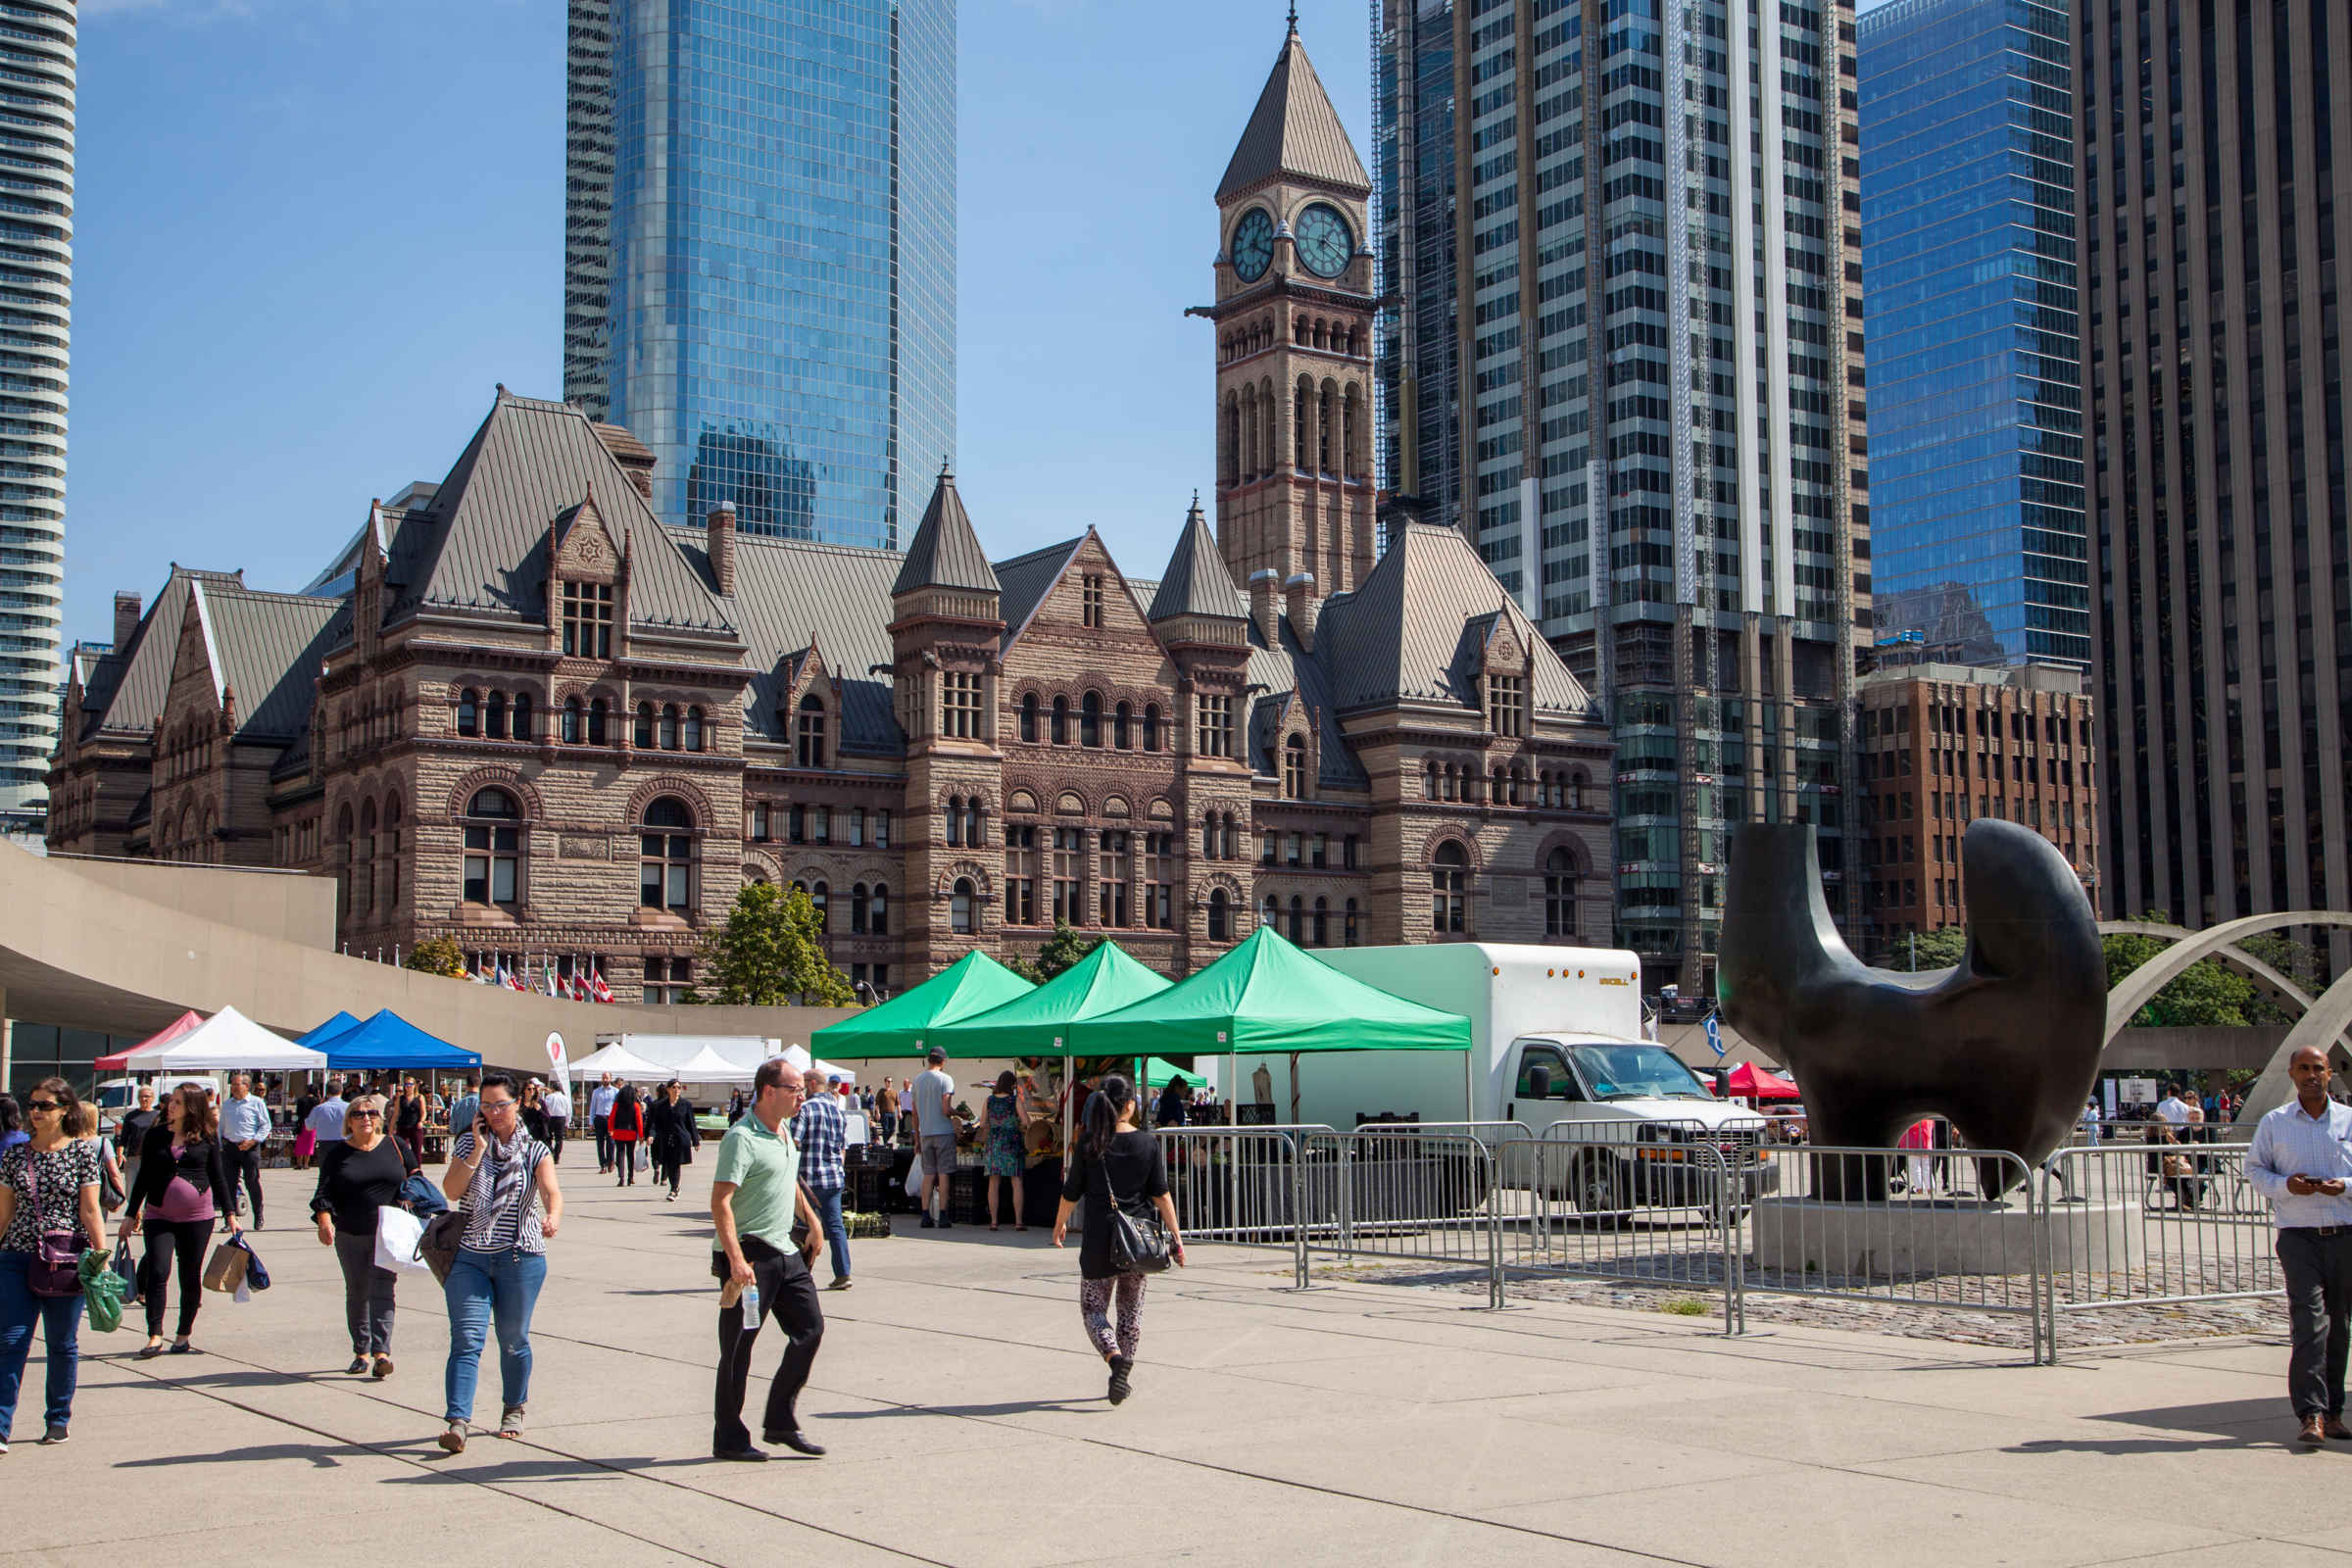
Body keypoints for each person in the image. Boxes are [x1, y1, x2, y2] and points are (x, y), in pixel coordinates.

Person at [436, 1072, 562, 1452]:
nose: (492, 1113)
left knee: (513, 1339)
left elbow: (551, 1191)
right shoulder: (466, 1144)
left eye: (500, 1105)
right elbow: (452, 1191)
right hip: (471, 1257)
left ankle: (513, 1407)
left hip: (519, 1258)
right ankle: (458, 1422)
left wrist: (553, 1216)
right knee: (467, 1339)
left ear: (517, 1104)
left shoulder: (535, 1151)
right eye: (485, 1106)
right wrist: (476, 1148)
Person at [710, 1057, 826, 1461]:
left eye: (803, 1088)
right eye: (795, 1089)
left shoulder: (785, 1131)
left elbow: (787, 1178)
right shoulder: (741, 1138)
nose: (802, 1096)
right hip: (750, 1256)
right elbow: (721, 1201)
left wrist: (812, 1221)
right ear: (768, 1091)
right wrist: (736, 1261)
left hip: (786, 1251)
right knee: (739, 1349)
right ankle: (728, 1438)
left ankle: (779, 1421)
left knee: (810, 1330)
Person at [1052, 1074, 1182, 1405]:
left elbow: (1071, 1191)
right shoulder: (1147, 1143)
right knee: (1131, 1311)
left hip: (1099, 1238)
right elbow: (1161, 1195)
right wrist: (1177, 1238)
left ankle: (1114, 1358)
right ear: (1128, 1105)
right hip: (1137, 1240)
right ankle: (1124, 1367)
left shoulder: (1090, 1143)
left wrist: (1059, 1225)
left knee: (1092, 1309)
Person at [2247, 1046, 2352, 1444]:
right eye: (2304, 1068)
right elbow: (2255, 1170)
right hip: (2298, 1235)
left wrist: (2343, 1185)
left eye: (2319, 1068)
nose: (2312, 1075)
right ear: (2291, 1074)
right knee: (2309, 1323)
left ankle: (2335, 1411)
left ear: (2330, 1074)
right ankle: (2310, 1414)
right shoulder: (2275, 1123)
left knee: (2339, 1326)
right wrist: (2284, 1186)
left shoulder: (2348, 1120)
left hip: (2344, 1232)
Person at [0, 1079, 104, 1450]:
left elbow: (90, 1209)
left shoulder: (81, 1153)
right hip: (16, 1256)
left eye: (44, 1105)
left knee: (61, 1344)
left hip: (65, 1260)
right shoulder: (14, 1155)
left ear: (65, 1110)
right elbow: (5, 1210)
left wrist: (100, 1258)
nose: (36, 1112)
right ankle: (0, 1426)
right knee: (10, 1342)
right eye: (32, 1105)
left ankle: (58, 1418)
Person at [122, 1082, 239, 1358]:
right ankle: (154, 1335)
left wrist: (231, 1214)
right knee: (158, 1271)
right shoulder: (155, 1136)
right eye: (171, 1101)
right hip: (158, 1214)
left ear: (192, 1107)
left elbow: (219, 1176)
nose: (170, 1105)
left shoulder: (207, 1137)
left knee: (189, 1275)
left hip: (197, 1218)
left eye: (177, 1102)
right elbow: (144, 1177)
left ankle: (183, 1334)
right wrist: (130, 1213)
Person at [311, 1091, 414, 1379]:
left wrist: (417, 1202)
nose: (366, 1118)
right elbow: (323, 1193)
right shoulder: (338, 1154)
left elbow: (416, 1178)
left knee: (383, 1289)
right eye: (358, 1114)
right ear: (349, 1122)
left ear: (379, 1119)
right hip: (350, 1232)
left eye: (371, 1113)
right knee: (357, 1291)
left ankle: (382, 1353)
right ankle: (361, 1351)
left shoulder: (396, 1145)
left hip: (388, 1233)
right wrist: (324, 1220)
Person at [789, 1069, 852, 1291]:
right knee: (835, 1226)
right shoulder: (838, 1111)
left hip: (809, 1177)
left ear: (812, 1083)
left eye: (804, 1083)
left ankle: (800, 1276)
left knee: (803, 1227)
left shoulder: (804, 1109)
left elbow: (794, 1141)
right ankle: (843, 1273)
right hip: (834, 1177)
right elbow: (842, 1146)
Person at [912, 1048, 956, 1230]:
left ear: (928, 1060)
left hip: (925, 1133)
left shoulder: (917, 1080)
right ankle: (943, 1214)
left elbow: (914, 1113)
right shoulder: (946, 1079)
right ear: (943, 1061)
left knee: (928, 1174)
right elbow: (946, 1109)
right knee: (944, 1172)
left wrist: (917, 1138)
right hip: (943, 1131)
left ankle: (925, 1214)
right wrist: (958, 1113)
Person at [220, 1072, 271, 1231]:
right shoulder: (228, 1104)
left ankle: (258, 1215)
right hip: (230, 1148)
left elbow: (265, 1126)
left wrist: (253, 1141)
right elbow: (220, 1127)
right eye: (233, 1085)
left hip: (250, 1147)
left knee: (252, 1182)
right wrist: (220, 1144)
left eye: (237, 1085)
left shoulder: (256, 1103)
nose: (234, 1088)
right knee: (228, 1185)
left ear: (246, 1086)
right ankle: (229, 1220)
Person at [984, 1071, 1025, 1232]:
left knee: (993, 1183)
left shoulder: (989, 1100)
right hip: (1011, 1143)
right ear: (1012, 1085)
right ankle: (1019, 1222)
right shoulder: (1014, 1100)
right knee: (1016, 1181)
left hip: (994, 1142)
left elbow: (981, 1123)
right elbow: (1026, 1121)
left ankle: (993, 1222)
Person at [647, 1081, 698, 1201]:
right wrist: (651, 1135)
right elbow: (655, 1123)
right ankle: (674, 1187)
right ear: (668, 1089)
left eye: (678, 1088)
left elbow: (691, 1123)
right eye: (674, 1087)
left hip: (680, 1138)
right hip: (665, 1139)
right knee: (668, 1164)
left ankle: (674, 1189)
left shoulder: (685, 1104)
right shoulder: (661, 1106)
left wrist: (695, 1140)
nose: (676, 1090)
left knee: (676, 1164)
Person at [609, 1083, 646, 1188]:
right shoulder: (636, 1106)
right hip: (631, 1133)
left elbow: (611, 1118)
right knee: (630, 1155)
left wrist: (610, 1129)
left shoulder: (617, 1105)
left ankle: (621, 1177)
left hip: (619, 1132)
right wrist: (641, 1135)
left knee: (620, 1155)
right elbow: (639, 1121)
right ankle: (630, 1177)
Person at [306, 1079, 350, 1160]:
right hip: (345, 1142)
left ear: (327, 1092)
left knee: (325, 1170)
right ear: (341, 1091)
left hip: (325, 1144)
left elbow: (309, 1126)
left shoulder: (318, 1109)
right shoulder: (349, 1107)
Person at [590, 1074, 618, 1173]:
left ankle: (611, 1161)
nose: (605, 1079)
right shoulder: (596, 1092)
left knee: (611, 1142)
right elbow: (593, 1107)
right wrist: (591, 1121)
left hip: (611, 1119)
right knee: (600, 1143)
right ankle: (603, 1165)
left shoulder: (615, 1091)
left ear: (610, 1079)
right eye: (603, 1078)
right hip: (599, 1118)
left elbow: (617, 1107)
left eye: (607, 1078)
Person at [289, 1083, 318, 1170]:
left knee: (300, 1143)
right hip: (312, 1124)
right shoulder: (316, 1100)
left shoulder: (301, 1100)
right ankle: (306, 1164)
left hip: (302, 1123)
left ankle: (299, 1163)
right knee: (309, 1144)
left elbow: (297, 1113)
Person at [541, 1079, 570, 1163]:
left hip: (550, 1118)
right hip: (561, 1118)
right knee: (559, 1139)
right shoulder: (565, 1098)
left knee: (548, 1137)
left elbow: (545, 1108)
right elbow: (568, 1111)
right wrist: (567, 1122)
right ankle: (557, 1155)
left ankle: (551, 1152)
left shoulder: (549, 1097)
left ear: (553, 1089)